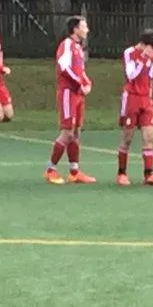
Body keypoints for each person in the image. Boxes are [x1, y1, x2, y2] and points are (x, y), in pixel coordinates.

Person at [46, 16, 95, 184]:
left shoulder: (78, 48)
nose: (87, 30)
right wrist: (80, 83)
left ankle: (74, 171)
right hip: (68, 93)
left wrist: (87, 82)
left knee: (76, 132)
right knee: (67, 132)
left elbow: (80, 70)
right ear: (75, 29)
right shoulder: (67, 44)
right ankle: (50, 170)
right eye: (84, 26)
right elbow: (64, 67)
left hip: (78, 94)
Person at [116, 29, 153, 186]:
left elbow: (150, 77)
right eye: (152, 46)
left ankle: (149, 174)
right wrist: (143, 58)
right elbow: (131, 75)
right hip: (131, 98)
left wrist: (150, 98)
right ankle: (121, 173)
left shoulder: (152, 56)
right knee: (127, 137)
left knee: (149, 137)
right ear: (144, 44)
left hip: (145, 99)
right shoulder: (129, 53)